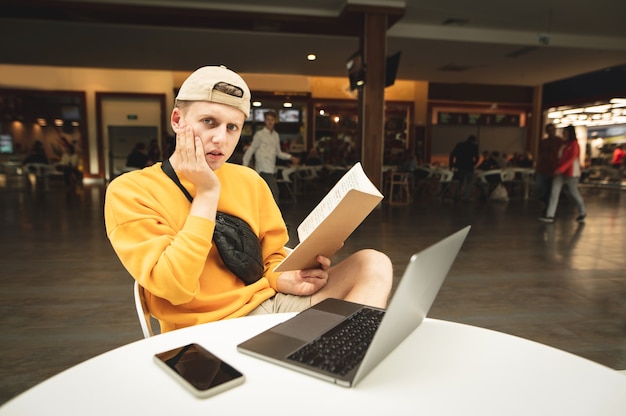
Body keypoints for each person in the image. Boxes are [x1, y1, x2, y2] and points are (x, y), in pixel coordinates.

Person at [104, 66, 392, 333]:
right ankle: (328, 359)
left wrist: (285, 278)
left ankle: (338, 359)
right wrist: (206, 192)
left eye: (232, 127)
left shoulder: (249, 181)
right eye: (209, 122)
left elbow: (272, 257)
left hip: (270, 307)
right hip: (206, 332)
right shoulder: (131, 190)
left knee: (372, 263)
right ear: (178, 120)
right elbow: (175, 287)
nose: (221, 138)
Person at [242, 110, 299, 203]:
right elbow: (251, 149)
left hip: (271, 168)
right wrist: (244, 165)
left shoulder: (276, 135)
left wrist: (290, 157)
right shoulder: (259, 135)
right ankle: (274, 216)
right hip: (262, 168)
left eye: (272, 120)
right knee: (274, 193)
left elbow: (278, 153)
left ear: (274, 121)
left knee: (266, 194)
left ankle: (265, 215)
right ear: (265, 121)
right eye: (268, 119)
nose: (269, 122)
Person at [539, 125, 587, 223]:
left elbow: (572, 159)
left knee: (574, 193)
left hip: (571, 172)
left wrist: (560, 169)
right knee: (554, 191)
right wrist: (557, 169)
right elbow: (560, 158)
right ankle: (550, 215)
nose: (563, 133)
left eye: (565, 131)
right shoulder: (564, 144)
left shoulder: (574, 145)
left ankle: (582, 211)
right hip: (561, 172)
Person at [535, 123, 564, 215]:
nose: (551, 132)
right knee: (539, 188)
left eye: (553, 130)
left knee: (549, 189)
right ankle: (546, 203)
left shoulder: (559, 142)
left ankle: (548, 206)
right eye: (549, 130)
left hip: (553, 169)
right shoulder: (543, 142)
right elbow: (540, 155)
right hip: (542, 168)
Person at [449, 135, 479, 200]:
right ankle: (466, 197)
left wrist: (451, 165)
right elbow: (477, 157)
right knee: (469, 182)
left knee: (459, 181)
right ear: (474, 141)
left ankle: (456, 195)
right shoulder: (474, 147)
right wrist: (473, 164)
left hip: (459, 166)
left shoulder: (459, 145)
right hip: (469, 167)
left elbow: (452, 155)